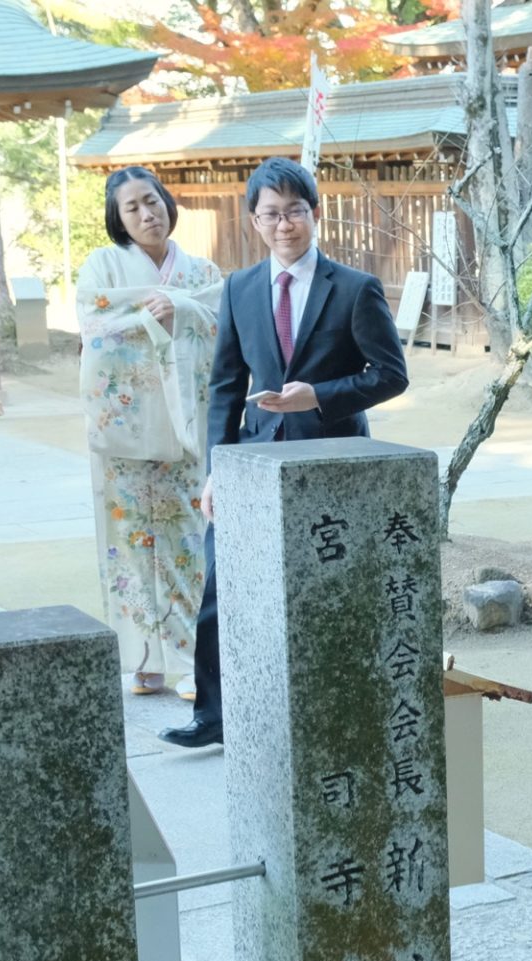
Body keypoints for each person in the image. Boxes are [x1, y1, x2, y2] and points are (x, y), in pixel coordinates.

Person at [160, 156, 409, 748]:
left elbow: (391, 375)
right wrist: (216, 468)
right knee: (221, 589)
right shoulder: (240, 288)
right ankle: (212, 716)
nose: (284, 225)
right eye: (271, 214)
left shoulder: (354, 288)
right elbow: (225, 385)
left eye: (295, 212)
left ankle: (342, 708)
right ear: (254, 221)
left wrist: (317, 396)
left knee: (331, 590)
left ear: (314, 214)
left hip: (332, 464)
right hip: (251, 460)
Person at [76, 166, 225, 698]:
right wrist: (149, 315)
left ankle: (192, 659)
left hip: (186, 425)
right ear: (117, 219)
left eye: (152, 200)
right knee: (131, 542)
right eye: (132, 207)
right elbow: (95, 326)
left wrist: (181, 306)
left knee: (188, 537)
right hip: (127, 427)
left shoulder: (200, 270)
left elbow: (219, 323)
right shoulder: (103, 265)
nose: (146, 213)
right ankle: (144, 657)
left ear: (167, 203)